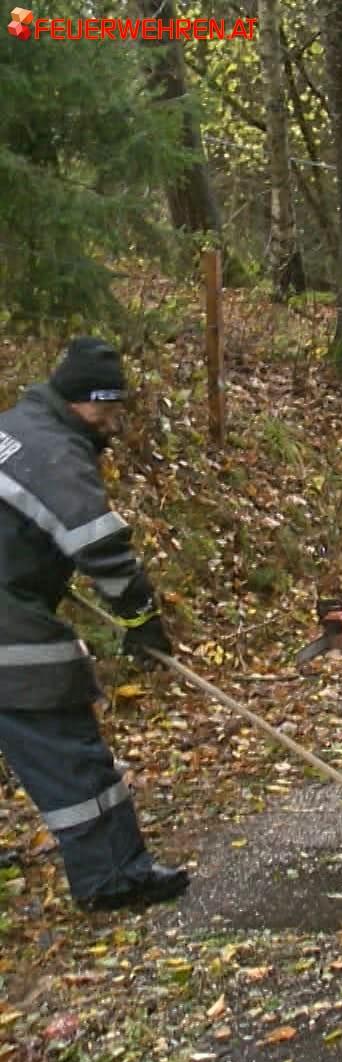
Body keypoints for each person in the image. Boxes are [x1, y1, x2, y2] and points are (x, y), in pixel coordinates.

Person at [0, 338, 189, 912]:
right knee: (67, 746)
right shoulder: (55, 451)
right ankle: (114, 875)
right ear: (80, 401)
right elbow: (100, 545)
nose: (112, 424)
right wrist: (142, 620)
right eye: (106, 411)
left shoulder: (15, 427)